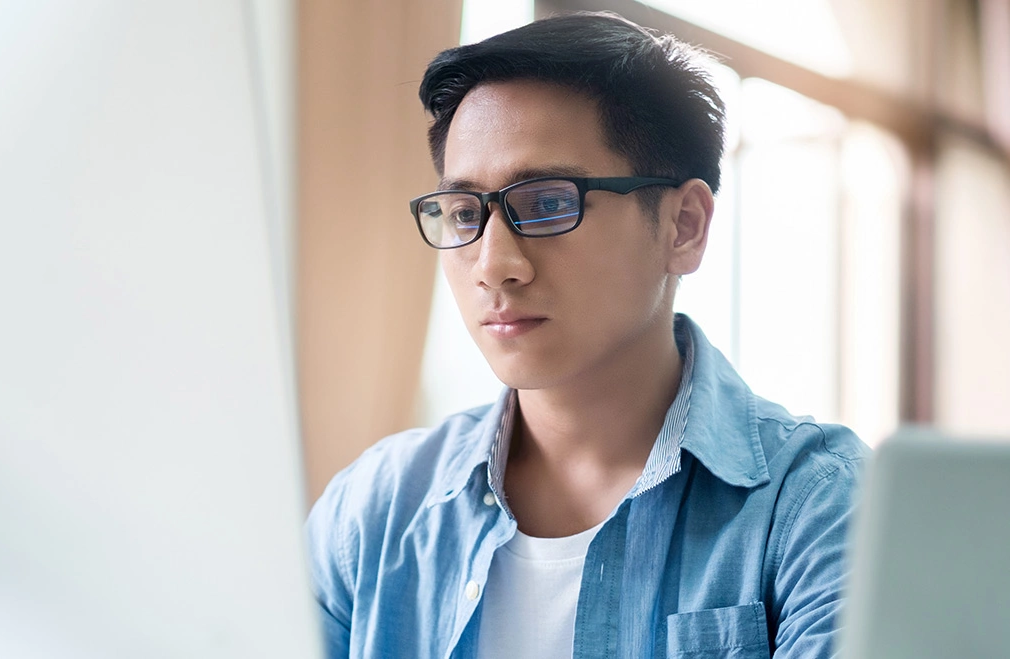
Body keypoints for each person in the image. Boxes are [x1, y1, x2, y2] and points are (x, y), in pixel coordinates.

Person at [306, 11, 868, 659]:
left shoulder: (813, 504)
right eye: (465, 212)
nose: (493, 264)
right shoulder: (374, 511)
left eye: (546, 203)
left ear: (683, 225)